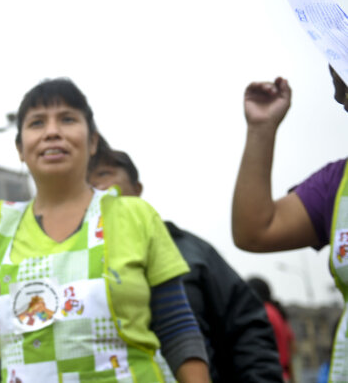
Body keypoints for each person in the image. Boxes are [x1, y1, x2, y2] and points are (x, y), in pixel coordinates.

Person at [0, 78, 209, 381]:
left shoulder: (135, 215)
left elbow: (177, 327)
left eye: (67, 119)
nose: (52, 132)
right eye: (37, 123)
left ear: (92, 142)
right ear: (20, 148)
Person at [88, 148, 284, 382]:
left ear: (137, 189)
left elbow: (246, 328)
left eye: (103, 174)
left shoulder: (194, 252)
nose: (94, 186)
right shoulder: (63, 266)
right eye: (85, 180)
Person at [231, 66, 348, 381]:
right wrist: (261, 128)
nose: (339, 97)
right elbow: (254, 230)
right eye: (336, 82)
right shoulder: (336, 184)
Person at [247, 277, 296, 382]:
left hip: (269, 375)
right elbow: (293, 348)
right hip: (283, 375)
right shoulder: (278, 313)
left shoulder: (261, 313)